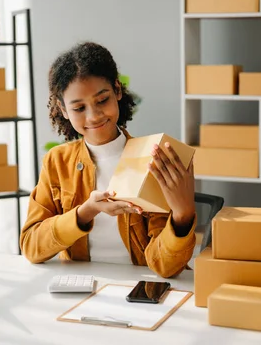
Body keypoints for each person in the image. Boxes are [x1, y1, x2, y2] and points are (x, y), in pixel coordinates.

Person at [19, 42, 196, 278]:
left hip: (139, 288)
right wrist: (85, 212)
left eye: (102, 100)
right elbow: (31, 246)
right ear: (63, 109)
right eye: (79, 108)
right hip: (80, 288)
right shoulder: (57, 162)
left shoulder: (153, 158)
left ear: (117, 91)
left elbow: (164, 267)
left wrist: (182, 215)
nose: (93, 116)